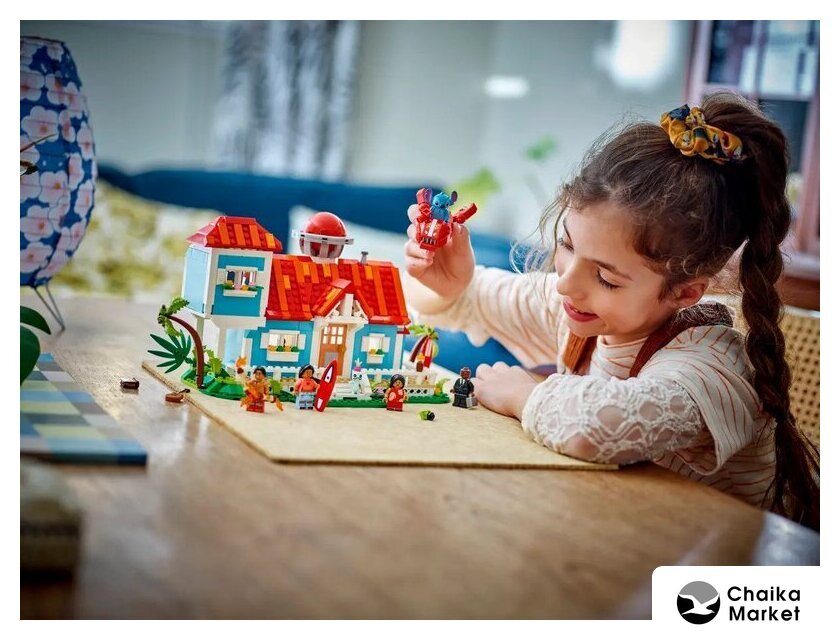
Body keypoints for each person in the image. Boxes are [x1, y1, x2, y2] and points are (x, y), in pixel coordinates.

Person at [403, 93, 819, 529]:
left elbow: (597, 427)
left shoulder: (711, 363)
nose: (565, 283)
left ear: (685, 292)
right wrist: (450, 283)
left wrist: (521, 394)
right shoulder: (581, 308)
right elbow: (469, 300)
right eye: (566, 245)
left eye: (606, 278)